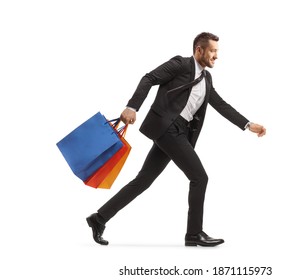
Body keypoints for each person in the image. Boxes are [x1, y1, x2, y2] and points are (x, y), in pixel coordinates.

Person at [86, 32, 266, 247]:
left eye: (217, 51)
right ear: (199, 50)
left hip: (178, 131)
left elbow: (220, 104)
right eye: (213, 51)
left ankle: (99, 218)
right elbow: (149, 78)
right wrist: (132, 107)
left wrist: (247, 125)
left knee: (144, 180)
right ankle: (194, 233)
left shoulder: (207, 78)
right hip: (167, 128)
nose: (216, 56)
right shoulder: (180, 65)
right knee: (200, 177)